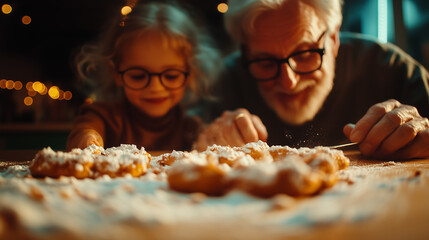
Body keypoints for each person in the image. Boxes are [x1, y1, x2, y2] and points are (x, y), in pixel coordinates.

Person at [194, 0, 429, 160]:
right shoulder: (222, 83)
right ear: (245, 53)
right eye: (265, 62)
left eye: (305, 54)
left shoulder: (392, 69)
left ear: (334, 39)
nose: (289, 82)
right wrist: (207, 143)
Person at [66, 1, 221, 151]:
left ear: (190, 75)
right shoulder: (102, 118)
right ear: (117, 74)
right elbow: (85, 132)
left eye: (171, 76)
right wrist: (87, 137)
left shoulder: (191, 128)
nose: (155, 87)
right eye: (138, 76)